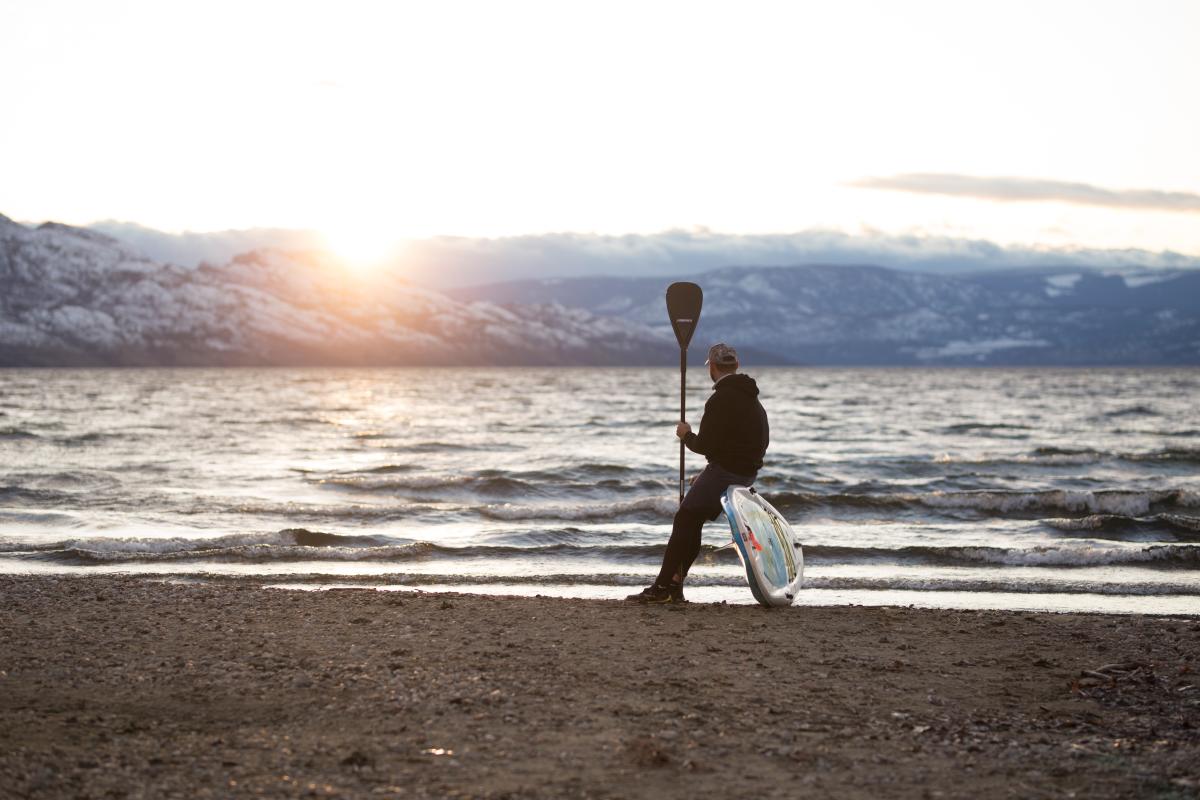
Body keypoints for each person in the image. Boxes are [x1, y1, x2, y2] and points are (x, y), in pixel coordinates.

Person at [626, 342, 769, 604]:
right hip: (745, 475)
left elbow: (705, 445)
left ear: (712, 367)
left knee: (685, 519)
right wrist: (710, 472)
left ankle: (661, 588)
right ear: (736, 365)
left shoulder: (720, 399)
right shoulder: (752, 397)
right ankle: (674, 586)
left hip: (726, 473)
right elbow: (749, 443)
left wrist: (686, 435)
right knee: (693, 521)